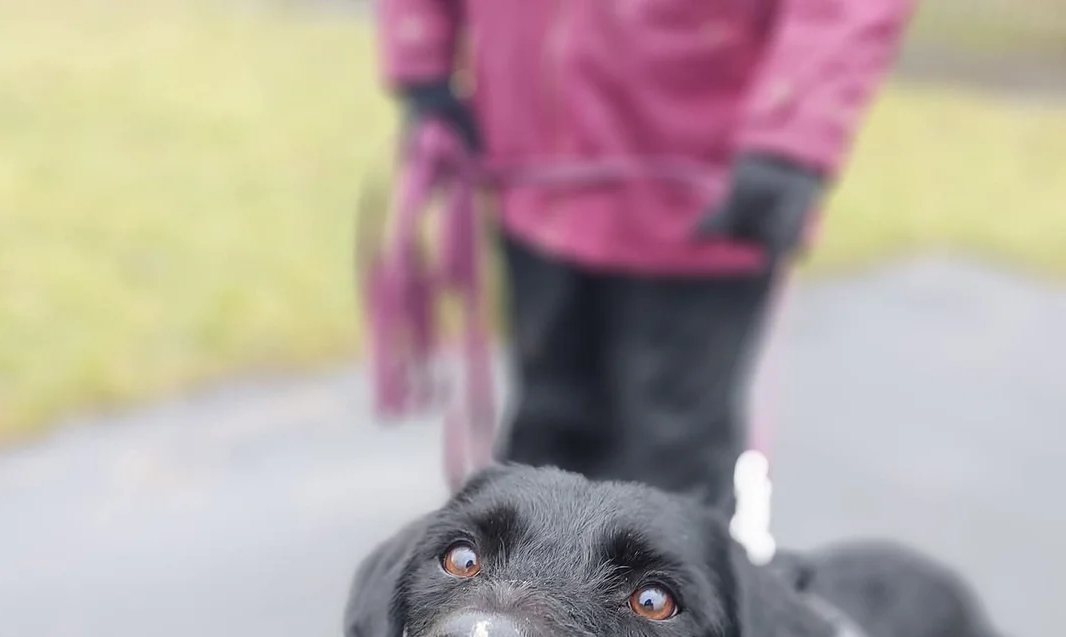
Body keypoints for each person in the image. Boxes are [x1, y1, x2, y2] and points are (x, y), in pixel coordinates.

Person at [375, 0, 914, 518]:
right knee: (544, 430)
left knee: (672, 457)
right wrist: (423, 60)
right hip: (531, 169)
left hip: (703, 194)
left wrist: (793, 131)